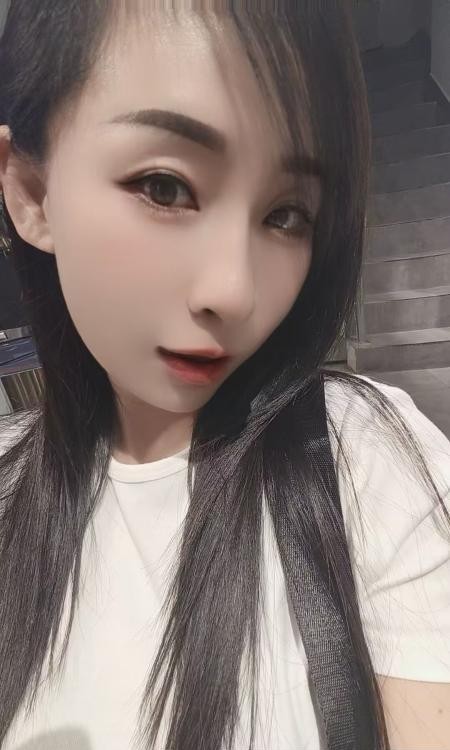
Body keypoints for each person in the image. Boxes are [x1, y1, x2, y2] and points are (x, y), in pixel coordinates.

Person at [0, 2, 449, 749]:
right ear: (31, 192)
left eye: (287, 215)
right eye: (165, 187)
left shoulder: (363, 459)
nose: (235, 292)